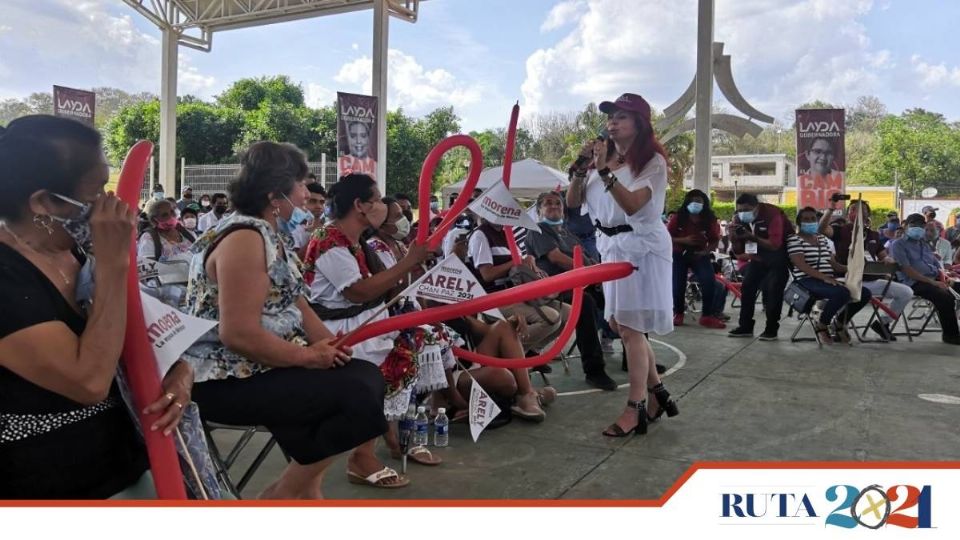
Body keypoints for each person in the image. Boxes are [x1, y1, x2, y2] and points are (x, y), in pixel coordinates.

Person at [0, 115, 192, 498]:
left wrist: (179, 379)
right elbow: (88, 380)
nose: (112, 206)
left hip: (128, 456)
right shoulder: (9, 275)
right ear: (43, 203)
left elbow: (145, 334)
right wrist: (113, 264)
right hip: (49, 480)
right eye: (97, 192)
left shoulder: (75, 250)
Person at [184, 143, 388, 499]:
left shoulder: (267, 233)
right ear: (275, 194)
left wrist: (333, 348)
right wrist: (311, 358)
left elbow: (297, 303)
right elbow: (238, 334)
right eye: (302, 185)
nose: (307, 194)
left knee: (363, 374)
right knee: (358, 394)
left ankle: (304, 493)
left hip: (262, 366)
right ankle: (282, 496)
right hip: (227, 378)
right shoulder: (244, 239)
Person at [302, 173, 434, 487]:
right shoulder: (330, 238)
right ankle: (363, 454)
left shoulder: (352, 240)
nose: (381, 207)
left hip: (360, 322)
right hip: (336, 330)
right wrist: (408, 262)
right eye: (375, 199)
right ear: (359, 205)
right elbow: (357, 291)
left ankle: (387, 439)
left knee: (423, 340)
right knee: (389, 359)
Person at [565, 92, 678, 437]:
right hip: (611, 246)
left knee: (629, 327)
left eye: (621, 117)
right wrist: (583, 171)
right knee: (620, 322)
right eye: (610, 117)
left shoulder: (652, 163)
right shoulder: (604, 160)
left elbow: (631, 205)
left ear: (639, 124)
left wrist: (604, 171)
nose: (612, 123)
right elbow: (572, 203)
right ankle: (658, 394)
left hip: (640, 247)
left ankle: (635, 409)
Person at [525, 191, 617, 391]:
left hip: (582, 282)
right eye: (547, 203)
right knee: (585, 303)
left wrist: (598, 274)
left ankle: (634, 355)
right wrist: (587, 273)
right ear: (539, 210)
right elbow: (556, 258)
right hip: (554, 289)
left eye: (558, 203)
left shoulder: (568, 233)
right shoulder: (537, 230)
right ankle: (594, 370)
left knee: (620, 296)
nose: (554, 206)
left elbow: (587, 257)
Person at [466, 217, 572, 358]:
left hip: (517, 293)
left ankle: (531, 352)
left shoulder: (507, 234)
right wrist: (515, 261)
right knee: (551, 318)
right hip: (494, 298)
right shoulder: (480, 235)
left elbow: (519, 264)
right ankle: (509, 350)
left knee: (569, 313)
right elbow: (487, 275)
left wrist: (529, 260)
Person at [819, 200, 913, 341]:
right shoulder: (840, 230)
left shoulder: (873, 235)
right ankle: (839, 322)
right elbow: (821, 229)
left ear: (867, 213)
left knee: (906, 292)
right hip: (846, 279)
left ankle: (882, 323)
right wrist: (831, 209)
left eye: (861, 209)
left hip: (870, 279)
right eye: (852, 210)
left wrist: (888, 261)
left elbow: (884, 256)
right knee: (861, 294)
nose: (856, 212)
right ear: (848, 214)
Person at [788, 207, 872, 344]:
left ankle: (839, 322)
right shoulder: (794, 240)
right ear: (799, 222)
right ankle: (822, 323)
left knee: (865, 293)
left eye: (813, 219)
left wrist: (853, 269)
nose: (810, 222)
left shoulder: (821, 239)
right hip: (806, 280)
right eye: (806, 219)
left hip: (826, 279)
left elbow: (833, 264)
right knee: (842, 293)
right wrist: (825, 278)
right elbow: (801, 265)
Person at [726, 193, 792, 340]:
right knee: (747, 288)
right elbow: (739, 251)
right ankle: (745, 327)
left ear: (757, 207)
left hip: (778, 257)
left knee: (773, 291)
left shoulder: (773, 214)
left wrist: (750, 237)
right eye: (740, 210)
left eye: (747, 209)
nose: (743, 213)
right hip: (757, 258)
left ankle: (771, 329)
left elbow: (775, 245)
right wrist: (734, 239)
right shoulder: (738, 219)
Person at [889, 214, 960, 345]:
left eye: (921, 225)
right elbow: (908, 271)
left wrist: (944, 277)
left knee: (957, 287)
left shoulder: (923, 244)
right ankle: (951, 335)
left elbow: (935, 263)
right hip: (914, 282)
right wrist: (934, 282)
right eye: (913, 225)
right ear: (905, 226)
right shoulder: (898, 245)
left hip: (933, 279)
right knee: (944, 297)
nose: (918, 228)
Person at [667, 189, 725, 329]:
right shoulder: (678, 218)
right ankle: (678, 313)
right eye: (692, 201)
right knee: (678, 283)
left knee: (709, 280)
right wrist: (684, 240)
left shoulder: (709, 219)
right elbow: (666, 237)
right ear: (687, 202)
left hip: (700, 253)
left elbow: (714, 240)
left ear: (704, 203)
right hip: (679, 253)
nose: (695, 204)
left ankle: (707, 316)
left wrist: (705, 251)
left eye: (698, 201)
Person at [798, 137, 844, 207]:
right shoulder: (799, 181)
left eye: (828, 153)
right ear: (807, 154)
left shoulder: (842, 178)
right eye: (817, 151)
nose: (823, 157)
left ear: (833, 157)